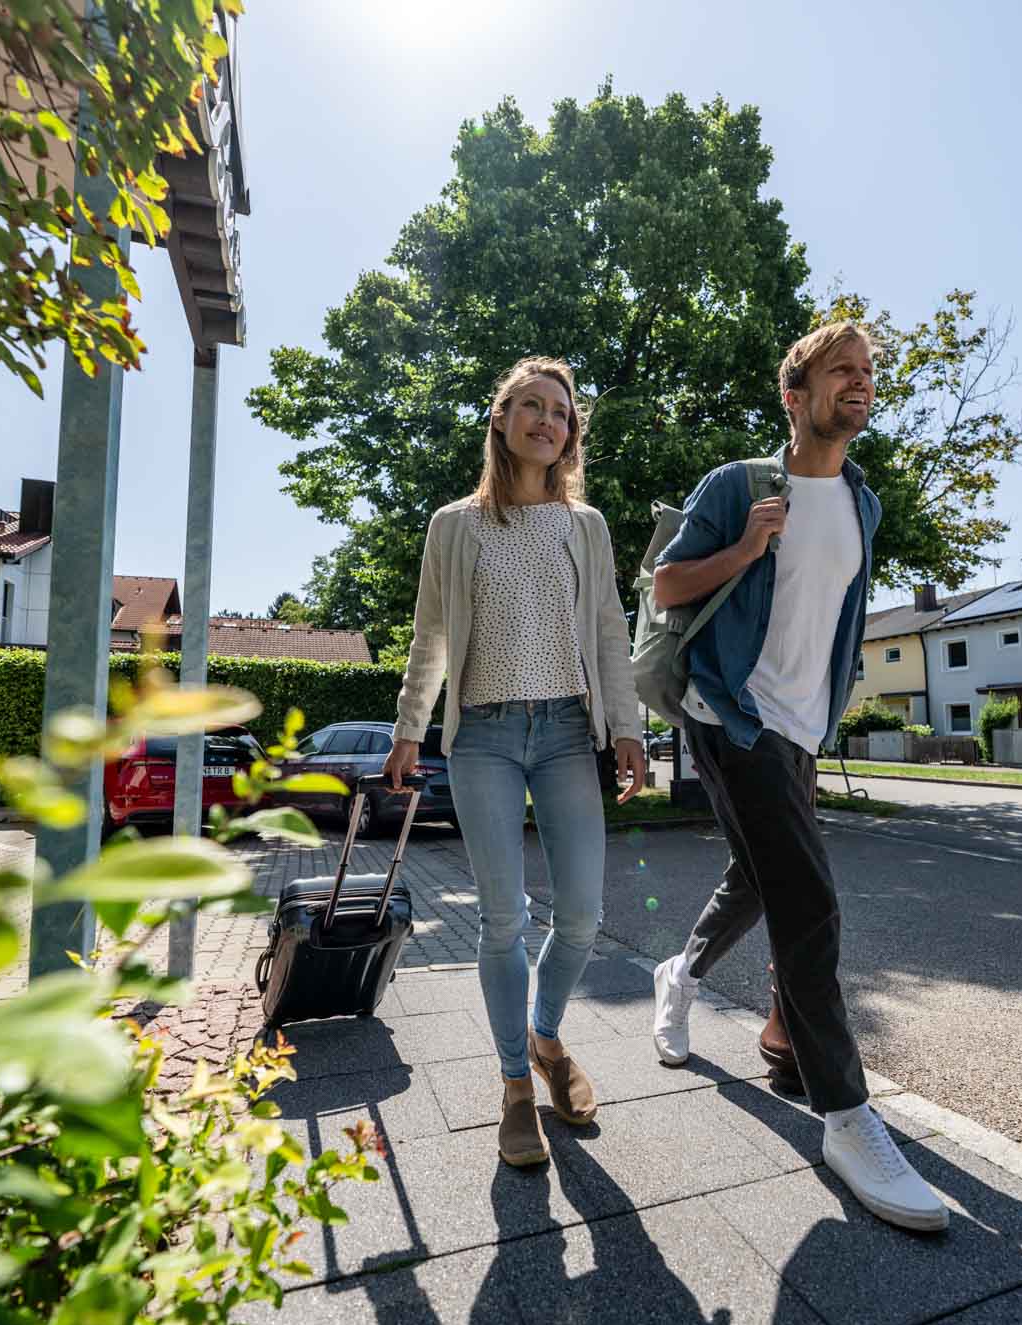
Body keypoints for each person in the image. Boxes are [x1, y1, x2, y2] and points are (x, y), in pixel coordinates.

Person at [646, 322, 950, 1232]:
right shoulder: (739, 485)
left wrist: (827, 706)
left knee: (761, 875)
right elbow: (665, 587)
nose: (858, 384)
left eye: (866, 373)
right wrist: (743, 550)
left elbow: (836, 615)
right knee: (809, 897)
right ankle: (845, 1114)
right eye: (839, 371)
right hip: (730, 712)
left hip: (802, 728)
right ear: (796, 392)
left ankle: (689, 976)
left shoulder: (865, 503)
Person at [386, 356, 648, 1169]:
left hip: (570, 732)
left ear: (571, 432)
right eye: (530, 405)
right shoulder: (453, 526)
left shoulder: (588, 526)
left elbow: (609, 630)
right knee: (504, 919)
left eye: (560, 411)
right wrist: (407, 728)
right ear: (501, 419)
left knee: (582, 915)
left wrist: (629, 726)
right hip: (486, 739)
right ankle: (513, 1086)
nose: (547, 420)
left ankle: (544, 1035)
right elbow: (431, 636)